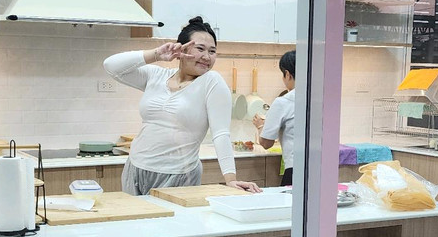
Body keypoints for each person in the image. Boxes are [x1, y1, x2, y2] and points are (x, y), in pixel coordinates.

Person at [104, 16, 263, 196]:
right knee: (134, 215)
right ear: (181, 49)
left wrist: (230, 179)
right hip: (135, 168)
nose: (207, 57)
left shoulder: (211, 82)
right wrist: (156, 54)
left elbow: (221, 134)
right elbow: (111, 66)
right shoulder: (156, 75)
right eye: (200, 49)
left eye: (212, 51)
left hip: (178, 175)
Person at [253, 50, 297, 186]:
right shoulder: (320, 97)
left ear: (287, 74)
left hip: (295, 171)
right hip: (321, 170)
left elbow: (266, 143)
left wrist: (260, 125)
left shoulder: (284, 102)